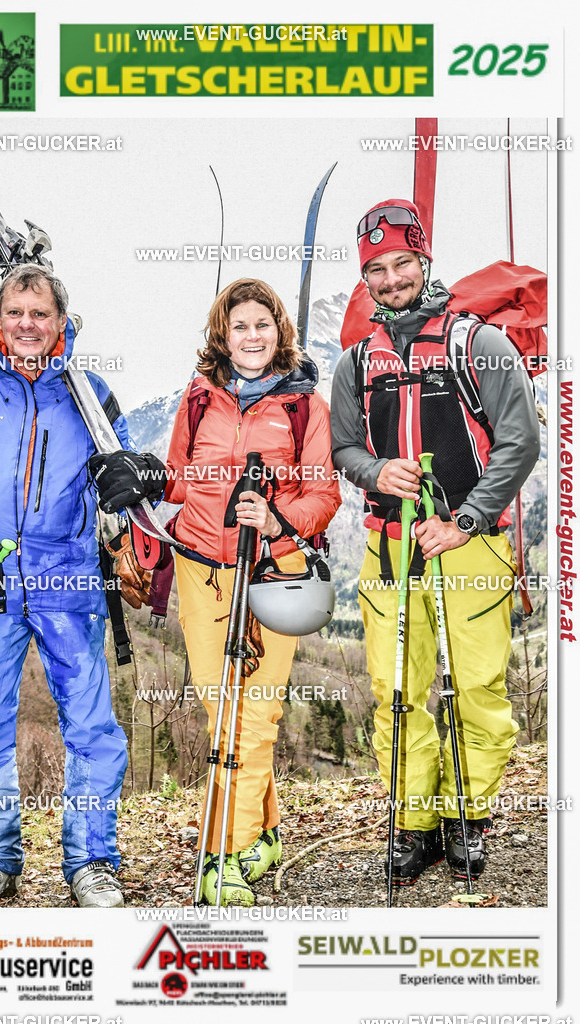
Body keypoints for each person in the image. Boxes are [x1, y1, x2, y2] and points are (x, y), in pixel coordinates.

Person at [0, 263, 164, 908]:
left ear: (60, 321)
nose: (27, 325)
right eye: (15, 312)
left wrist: (134, 476)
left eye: (40, 313)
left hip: (69, 583)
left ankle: (91, 863)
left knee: (91, 726)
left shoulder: (88, 392)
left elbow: (127, 478)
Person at [94, 278, 341, 905]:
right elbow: (178, 479)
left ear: (279, 330)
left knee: (253, 716)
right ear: (222, 335)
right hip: (202, 569)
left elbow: (324, 494)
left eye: (262, 324)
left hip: (274, 572)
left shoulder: (305, 404)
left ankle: (222, 855)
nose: (251, 335)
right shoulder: (201, 397)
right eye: (239, 326)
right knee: (218, 709)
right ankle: (267, 834)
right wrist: (142, 473)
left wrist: (282, 521)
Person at [330, 200, 541, 886]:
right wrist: (373, 469)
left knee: (476, 686)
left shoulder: (477, 344)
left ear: (423, 262)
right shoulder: (356, 362)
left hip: (470, 543)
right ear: (365, 279)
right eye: (376, 270)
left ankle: (466, 817)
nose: (390, 279)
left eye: (401, 264)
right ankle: (412, 821)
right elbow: (342, 447)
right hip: (388, 545)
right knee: (396, 690)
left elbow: (519, 443)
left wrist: (466, 521)